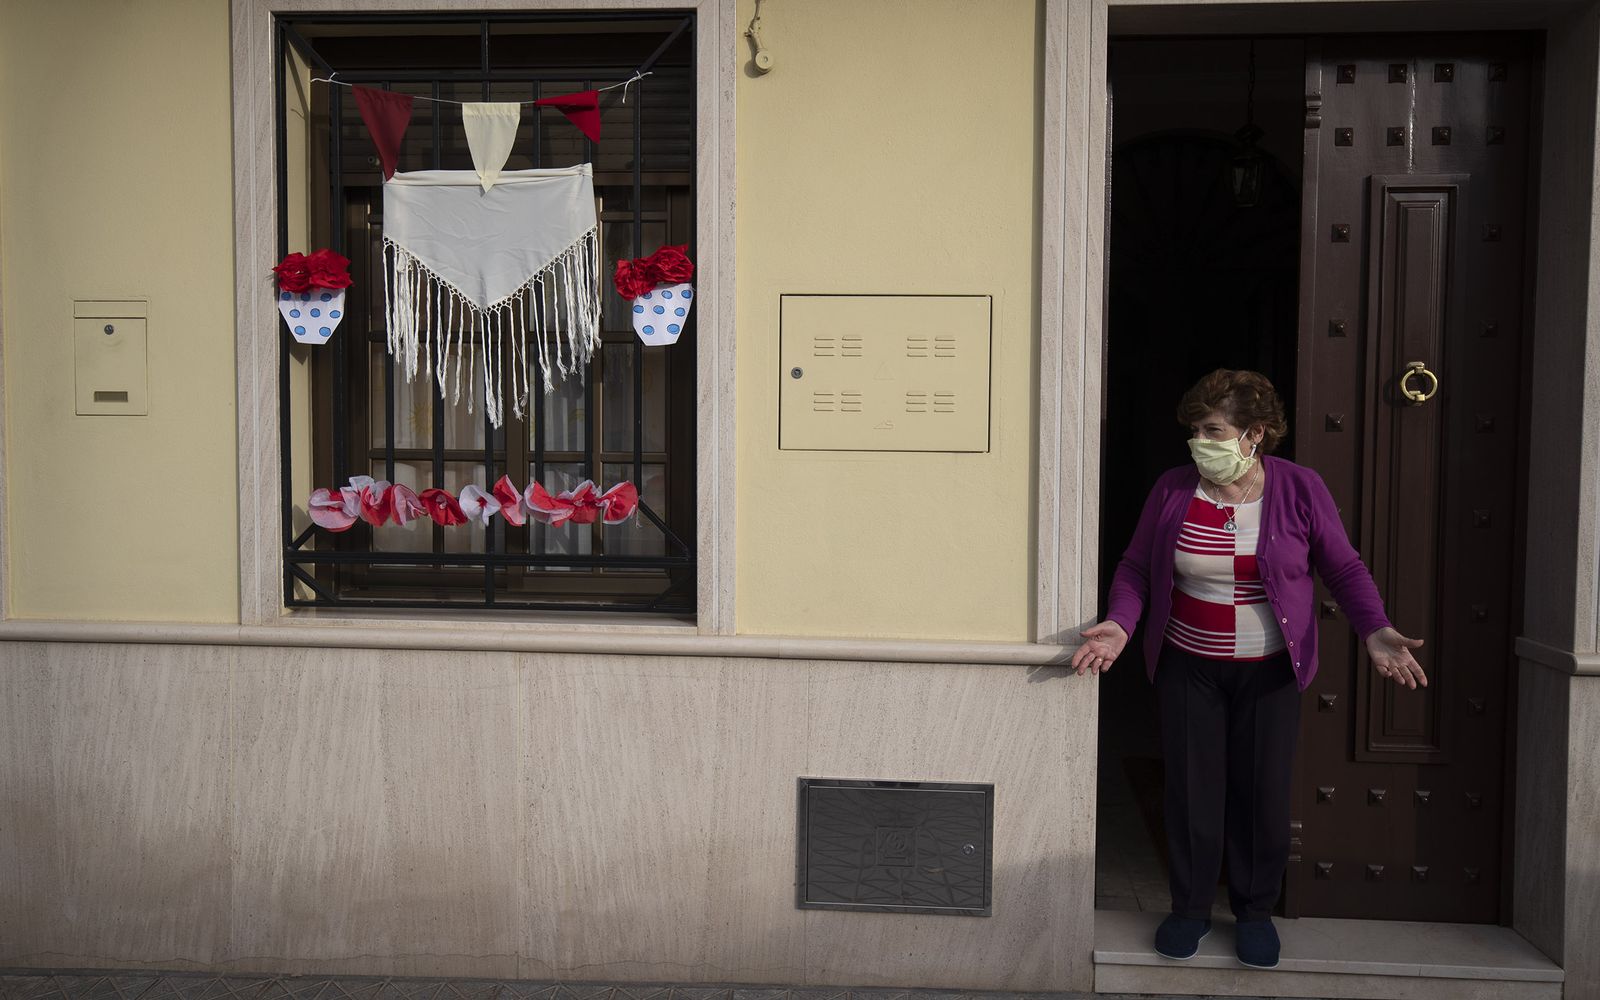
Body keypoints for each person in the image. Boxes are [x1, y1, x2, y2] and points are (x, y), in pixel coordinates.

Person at [1071, 369, 1426, 970]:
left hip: (1269, 672)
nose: (1198, 442)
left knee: (1262, 795)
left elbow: (1343, 568)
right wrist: (1122, 623)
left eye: (1212, 430)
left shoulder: (1299, 488)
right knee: (1191, 790)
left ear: (1254, 434)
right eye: (1194, 430)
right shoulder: (1172, 489)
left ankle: (1255, 913)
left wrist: (1375, 628)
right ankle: (1188, 909)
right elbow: (1135, 567)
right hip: (1190, 667)